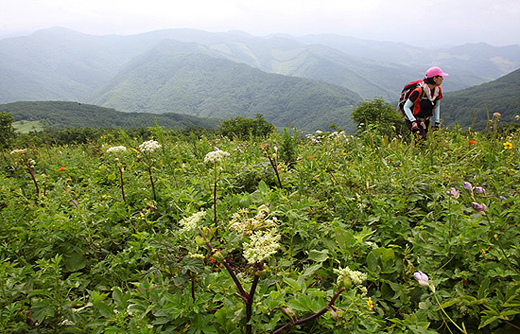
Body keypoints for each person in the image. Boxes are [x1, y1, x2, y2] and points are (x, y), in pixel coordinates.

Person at [403, 66, 449, 139]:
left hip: (426, 120)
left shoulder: (437, 90)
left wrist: (437, 122)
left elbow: (437, 106)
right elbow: (406, 107)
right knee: (421, 141)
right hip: (415, 120)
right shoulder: (419, 91)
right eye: (440, 77)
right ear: (434, 78)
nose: (442, 79)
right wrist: (413, 121)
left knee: (422, 141)